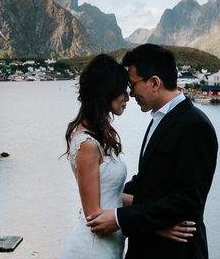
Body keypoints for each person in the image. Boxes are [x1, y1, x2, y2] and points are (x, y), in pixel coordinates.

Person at [86, 44, 218, 259]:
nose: (130, 93)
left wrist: (120, 219)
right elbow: (149, 182)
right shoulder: (159, 118)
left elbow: (187, 199)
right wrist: (110, 193)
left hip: (175, 251)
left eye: (133, 85)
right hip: (146, 247)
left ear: (155, 82)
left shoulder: (195, 125)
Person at [60, 53, 196, 258]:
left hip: (109, 246)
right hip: (93, 249)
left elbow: (112, 195)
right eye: (122, 90)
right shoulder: (86, 144)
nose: (128, 96)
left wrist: (159, 215)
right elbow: (94, 217)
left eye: (129, 88)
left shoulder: (98, 135)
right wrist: (157, 227)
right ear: (106, 92)